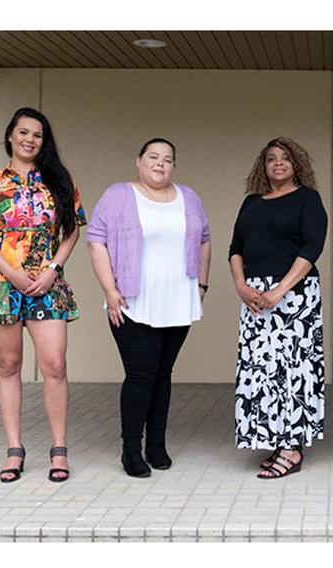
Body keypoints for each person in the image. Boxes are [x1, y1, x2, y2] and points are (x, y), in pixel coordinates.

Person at [0, 107, 85, 483]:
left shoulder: (59, 182)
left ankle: (59, 449)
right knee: (8, 366)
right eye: (24, 132)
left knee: (55, 365)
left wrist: (52, 270)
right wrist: (12, 273)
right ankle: (14, 449)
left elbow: (71, 231)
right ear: (11, 136)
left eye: (38, 135)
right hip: (0, 284)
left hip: (47, 285)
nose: (30, 140)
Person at [86, 138, 212, 478]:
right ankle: (131, 449)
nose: (160, 164)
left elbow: (204, 240)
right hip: (131, 301)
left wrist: (201, 285)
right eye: (153, 157)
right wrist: (109, 290)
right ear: (138, 161)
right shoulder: (118, 195)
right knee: (141, 374)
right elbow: (96, 240)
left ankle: (156, 445)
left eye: (168, 159)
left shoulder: (189, 197)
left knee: (163, 374)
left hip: (177, 301)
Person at [229, 137, 328, 479]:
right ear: (264, 166)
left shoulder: (307, 199)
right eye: (271, 159)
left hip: (295, 297)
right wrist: (241, 286)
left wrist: (280, 290)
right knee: (261, 370)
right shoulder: (251, 203)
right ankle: (275, 438)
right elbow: (236, 247)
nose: (278, 163)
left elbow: (313, 245)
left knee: (293, 370)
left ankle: (292, 447)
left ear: (296, 163)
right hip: (255, 298)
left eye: (285, 158)